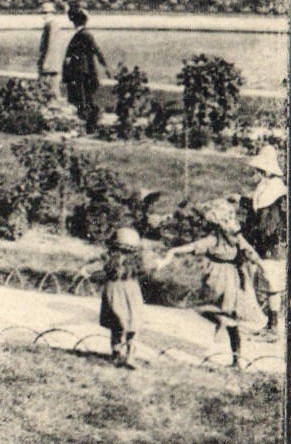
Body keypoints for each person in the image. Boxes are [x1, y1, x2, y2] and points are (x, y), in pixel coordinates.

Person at [157, 198, 266, 368]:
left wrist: (172, 251)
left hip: (219, 279)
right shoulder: (233, 238)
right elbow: (250, 252)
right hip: (231, 279)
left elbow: (193, 246)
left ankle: (225, 331)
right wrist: (261, 265)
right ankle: (236, 357)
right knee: (230, 318)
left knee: (208, 308)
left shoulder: (216, 238)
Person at [81, 225, 147, 368]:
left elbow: (91, 269)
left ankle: (117, 354)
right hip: (131, 291)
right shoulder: (137, 261)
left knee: (117, 325)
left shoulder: (109, 259)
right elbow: (152, 266)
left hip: (114, 290)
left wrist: (86, 272)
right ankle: (129, 356)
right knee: (132, 325)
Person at [242, 144, 286, 339]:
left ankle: (274, 328)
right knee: (270, 286)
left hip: (273, 246)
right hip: (270, 245)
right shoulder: (269, 188)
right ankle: (271, 324)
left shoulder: (274, 192)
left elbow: (267, 224)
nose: (256, 173)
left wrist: (250, 235)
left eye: (258, 171)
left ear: (265, 171)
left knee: (273, 285)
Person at [61, 5, 111, 132]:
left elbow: (96, 51)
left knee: (83, 99)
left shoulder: (84, 35)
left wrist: (105, 67)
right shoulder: (82, 34)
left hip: (82, 73)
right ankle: (90, 125)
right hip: (81, 72)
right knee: (83, 99)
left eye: (73, 21)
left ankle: (90, 125)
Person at [36, 0, 68, 97]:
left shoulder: (52, 25)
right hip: (52, 64)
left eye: (45, 13)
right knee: (50, 88)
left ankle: (54, 107)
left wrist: (46, 62)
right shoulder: (50, 25)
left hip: (50, 64)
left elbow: (51, 44)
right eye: (42, 13)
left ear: (51, 13)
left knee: (49, 88)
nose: (43, 15)